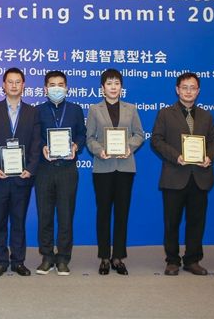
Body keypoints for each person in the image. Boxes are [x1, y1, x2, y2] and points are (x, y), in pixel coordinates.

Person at [151, 72, 214, 276]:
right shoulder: (165, 113)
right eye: (185, 87)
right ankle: (172, 260)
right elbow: (156, 140)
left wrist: (209, 157)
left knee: (197, 221)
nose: (189, 91)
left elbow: (213, 142)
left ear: (198, 91)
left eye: (193, 88)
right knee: (172, 222)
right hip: (174, 175)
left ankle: (192, 260)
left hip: (200, 176)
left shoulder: (206, 116)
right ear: (177, 90)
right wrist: (176, 156)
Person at [86, 69, 144, 275]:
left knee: (122, 212)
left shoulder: (131, 108)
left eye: (117, 83)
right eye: (109, 83)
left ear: (121, 87)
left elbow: (140, 134)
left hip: (125, 167)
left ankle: (118, 257)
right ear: (102, 88)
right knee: (103, 212)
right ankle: (104, 257)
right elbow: (89, 138)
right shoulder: (95, 109)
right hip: (103, 167)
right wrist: (99, 150)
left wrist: (129, 147)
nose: (113, 87)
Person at [0, 68, 41, 277]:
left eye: (18, 82)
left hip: (22, 177)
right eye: (10, 82)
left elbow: (36, 143)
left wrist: (30, 169)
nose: (14, 85)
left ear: (23, 85)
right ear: (3, 85)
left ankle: (18, 261)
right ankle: (0, 261)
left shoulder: (33, 112)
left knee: (18, 221)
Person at [35, 70, 86, 276]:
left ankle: (64, 257)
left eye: (60, 84)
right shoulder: (37, 111)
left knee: (66, 215)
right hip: (44, 170)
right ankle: (47, 256)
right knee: (44, 215)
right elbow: (34, 136)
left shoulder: (75, 110)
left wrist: (76, 146)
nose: (56, 88)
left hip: (67, 170)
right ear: (45, 89)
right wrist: (42, 147)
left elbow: (82, 134)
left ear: (66, 88)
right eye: (52, 85)